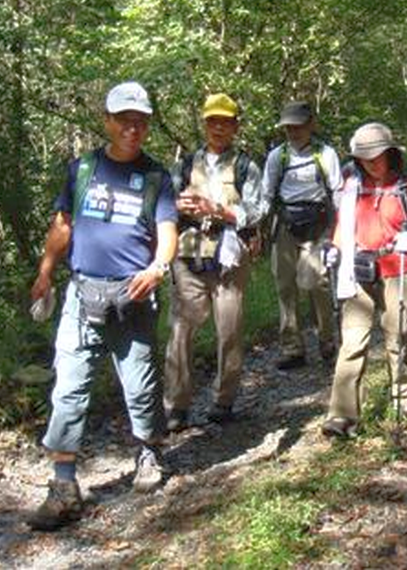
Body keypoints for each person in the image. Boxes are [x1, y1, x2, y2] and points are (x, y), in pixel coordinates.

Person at [27, 81, 178, 531]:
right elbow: (63, 225)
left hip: (133, 297)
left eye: (141, 121)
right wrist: (45, 271)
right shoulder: (83, 169)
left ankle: (148, 452)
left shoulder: (157, 178)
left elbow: (167, 231)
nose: (133, 128)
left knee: (140, 385)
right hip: (81, 294)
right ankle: (63, 485)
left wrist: (157, 267)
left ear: (148, 124)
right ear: (108, 120)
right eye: (124, 119)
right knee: (69, 388)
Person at [321, 123, 407, 439]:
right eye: (364, 157)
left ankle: (402, 398)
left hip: (398, 270)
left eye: (377, 155)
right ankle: (341, 416)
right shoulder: (352, 189)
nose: (371, 162)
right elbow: (343, 229)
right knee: (353, 342)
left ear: (390, 154)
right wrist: (334, 249)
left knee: (398, 335)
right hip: (358, 271)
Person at [163, 93, 264, 431]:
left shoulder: (247, 167)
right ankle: (176, 406)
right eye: (212, 121)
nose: (218, 127)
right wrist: (182, 207)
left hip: (229, 260)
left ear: (235, 126)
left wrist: (217, 210)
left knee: (229, 332)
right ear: (204, 124)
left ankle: (224, 400)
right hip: (188, 256)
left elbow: (257, 210)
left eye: (225, 121)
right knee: (180, 332)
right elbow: (165, 205)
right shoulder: (185, 164)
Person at [261, 101, 343, 369]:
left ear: (310, 125)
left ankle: (327, 342)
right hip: (284, 225)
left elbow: (337, 191)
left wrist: (342, 229)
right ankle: (292, 348)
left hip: (317, 226)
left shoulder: (326, 154)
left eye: (298, 126)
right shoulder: (278, 157)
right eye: (288, 127)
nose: (293, 131)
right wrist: (253, 228)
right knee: (285, 287)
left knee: (316, 284)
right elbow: (266, 194)